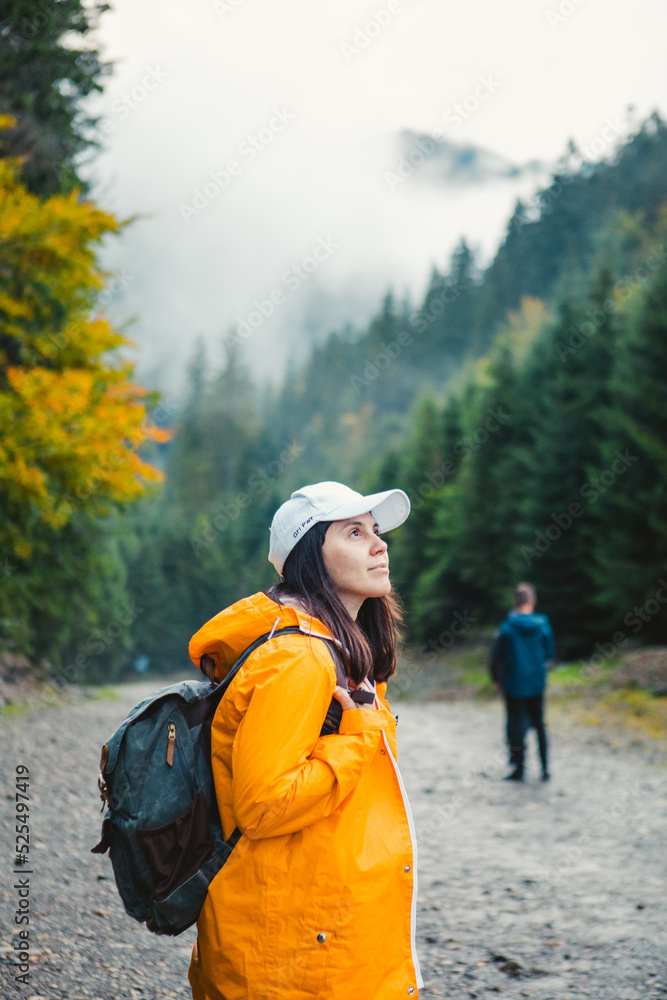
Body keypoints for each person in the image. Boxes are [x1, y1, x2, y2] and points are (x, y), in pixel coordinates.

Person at [187, 481, 424, 1000]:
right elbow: (265, 805)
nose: (380, 545)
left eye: (376, 532)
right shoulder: (297, 658)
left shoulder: (342, 655)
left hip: (326, 934)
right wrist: (358, 737)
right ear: (311, 557)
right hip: (291, 958)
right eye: (355, 532)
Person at [490, 582, 555, 782]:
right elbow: (549, 653)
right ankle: (545, 768)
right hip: (536, 682)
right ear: (533, 601)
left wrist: (497, 679)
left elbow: (496, 657)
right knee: (540, 724)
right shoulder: (543, 625)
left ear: (514, 602)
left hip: (513, 682)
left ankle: (519, 768)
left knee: (515, 726)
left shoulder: (507, 627)